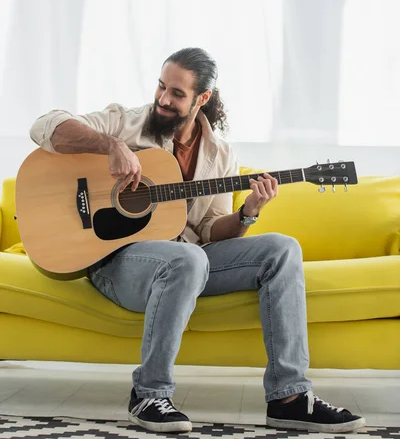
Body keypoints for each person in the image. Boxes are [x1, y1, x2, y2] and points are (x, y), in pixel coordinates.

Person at [30, 47, 365, 435]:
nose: (163, 99)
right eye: (161, 87)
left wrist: (248, 212)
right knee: (188, 260)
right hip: (116, 264)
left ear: (202, 98)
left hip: (186, 265)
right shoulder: (126, 123)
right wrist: (111, 146)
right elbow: (45, 125)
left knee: (280, 249)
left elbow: (209, 230)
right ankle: (148, 394)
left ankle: (288, 398)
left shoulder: (220, 156)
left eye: (177, 93)